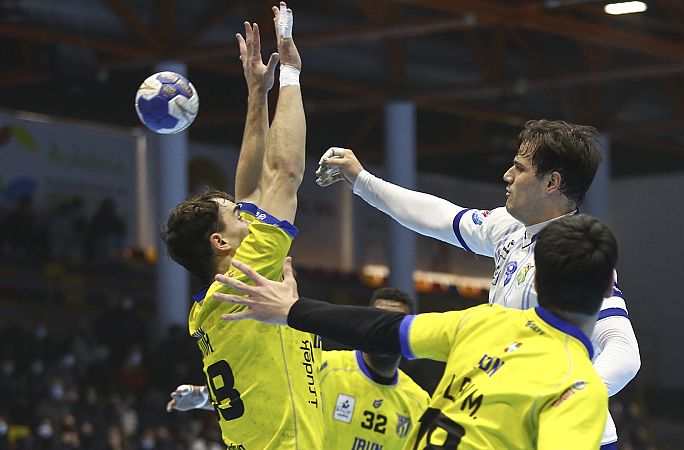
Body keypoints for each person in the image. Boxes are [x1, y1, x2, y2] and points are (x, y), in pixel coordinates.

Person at [315, 120, 640, 449]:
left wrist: (566, 395)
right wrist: (362, 180)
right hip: (509, 427)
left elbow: (625, 353)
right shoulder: (509, 227)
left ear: (552, 182)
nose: (507, 176)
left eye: (519, 168)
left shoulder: (576, 258)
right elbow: (438, 217)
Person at [212, 214, 615, 449]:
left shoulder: (483, 322)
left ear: (537, 282)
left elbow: (381, 330)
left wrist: (291, 310)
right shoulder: (579, 386)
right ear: (607, 289)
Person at [159, 3, 323, 448]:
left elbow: (251, 189)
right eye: (236, 217)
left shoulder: (222, 296)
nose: (246, 211)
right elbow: (285, 175)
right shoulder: (246, 277)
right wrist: (290, 73)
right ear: (220, 241)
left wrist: (257, 94)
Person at [167, 288, 430, 450]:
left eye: (392, 324)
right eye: (377, 321)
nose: (383, 332)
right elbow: (264, 398)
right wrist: (204, 397)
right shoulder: (324, 367)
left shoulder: (419, 402)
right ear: (364, 325)